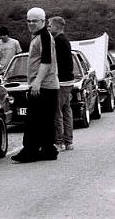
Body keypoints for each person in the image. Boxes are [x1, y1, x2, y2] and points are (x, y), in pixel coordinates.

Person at [12, 8, 60, 163]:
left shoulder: (45, 36)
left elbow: (46, 61)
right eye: (29, 20)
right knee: (45, 120)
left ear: (43, 21)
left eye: (34, 21)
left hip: (43, 85)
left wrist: (37, 83)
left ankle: (30, 151)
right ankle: (48, 150)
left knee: (33, 120)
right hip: (44, 85)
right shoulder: (38, 37)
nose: (31, 23)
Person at [48, 16, 74, 152]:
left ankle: (59, 142)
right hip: (68, 80)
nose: (48, 27)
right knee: (66, 110)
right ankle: (68, 141)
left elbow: (54, 62)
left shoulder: (58, 41)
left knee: (57, 111)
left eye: (49, 25)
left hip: (61, 81)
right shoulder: (64, 40)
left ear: (57, 27)